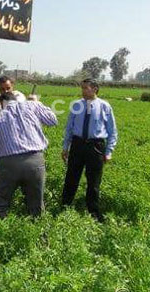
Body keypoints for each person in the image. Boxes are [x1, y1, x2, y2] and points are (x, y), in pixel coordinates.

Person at [0, 92, 58, 217]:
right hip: (35, 160)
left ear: (1, 103)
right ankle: (37, 230)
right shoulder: (31, 106)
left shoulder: (0, 116)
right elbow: (52, 120)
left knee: (0, 201)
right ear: (15, 99)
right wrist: (37, 102)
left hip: (9, 162)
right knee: (36, 203)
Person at [61, 79, 118, 222]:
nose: (83, 91)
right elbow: (69, 127)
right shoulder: (76, 105)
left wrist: (109, 151)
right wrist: (65, 147)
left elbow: (112, 131)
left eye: (86, 88)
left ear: (95, 89)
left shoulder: (105, 106)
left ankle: (93, 212)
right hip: (78, 144)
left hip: (96, 146)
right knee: (71, 177)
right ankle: (65, 207)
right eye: (82, 88)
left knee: (94, 181)